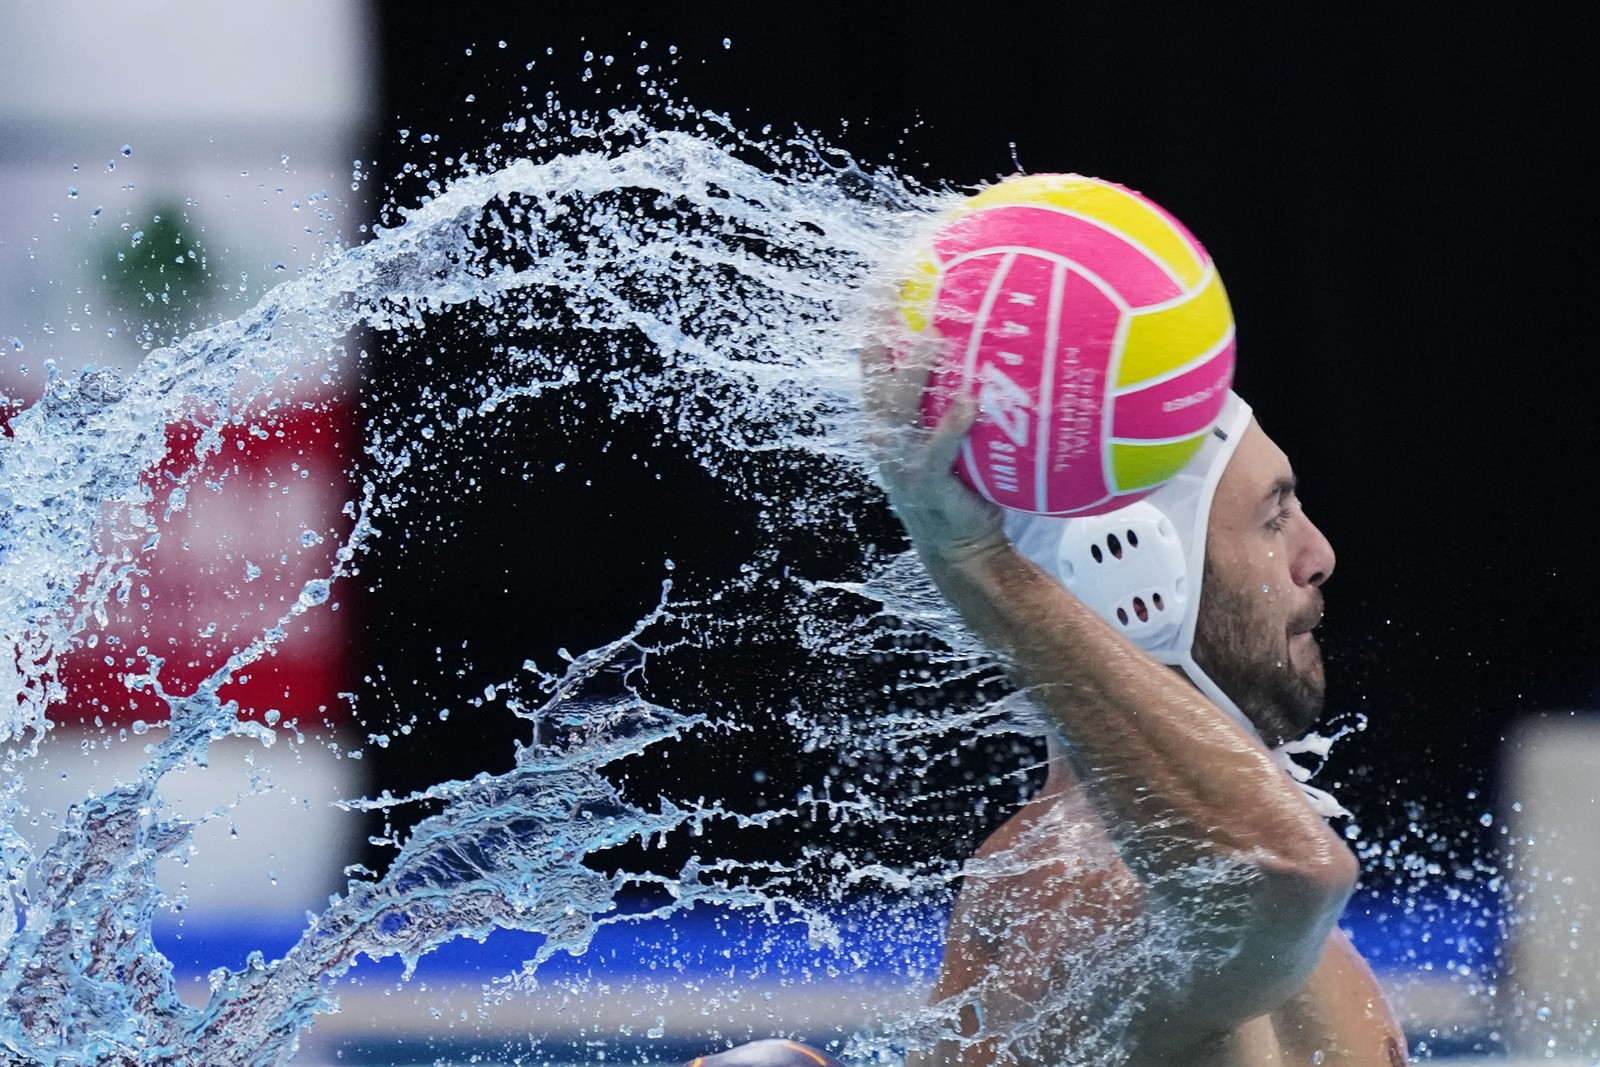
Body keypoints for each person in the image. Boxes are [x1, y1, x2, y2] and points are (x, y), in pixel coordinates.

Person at [860, 336, 1408, 1065]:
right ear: (1136, 577)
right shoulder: (1087, 877)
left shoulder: (1078, 856)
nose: (1319, 552)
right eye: (1273, 519)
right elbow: (1287, 873)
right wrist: (976, 562)